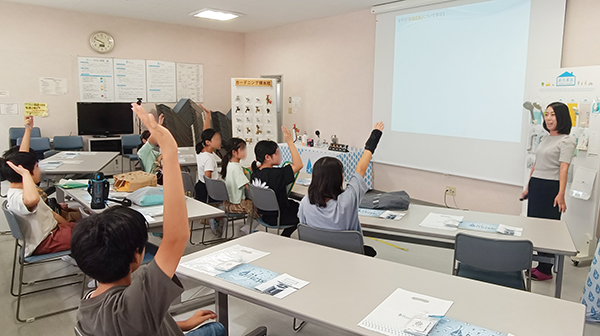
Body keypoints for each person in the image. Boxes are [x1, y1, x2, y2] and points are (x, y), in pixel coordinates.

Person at [71, 103, 225, 336]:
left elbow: (145, 325)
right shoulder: (133, 305)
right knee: (216, 329)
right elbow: (175, 238)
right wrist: (170, 153)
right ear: (136, 255)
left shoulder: (88, 305)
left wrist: (182, 324)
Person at [299, 122, 384, 257]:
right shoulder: (348, 200)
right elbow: (361, 169)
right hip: (347, 253)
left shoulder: (305, 202)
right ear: (338, 178)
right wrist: (375, 136)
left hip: (318, 254)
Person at [0, 116, 73, 256]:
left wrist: (28, 130)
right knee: (97, 234)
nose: (39, 170)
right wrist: (26, 174)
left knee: (89, 225)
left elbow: (23, 157)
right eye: (37, 166)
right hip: (45, 241)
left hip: (50, 233)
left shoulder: (18, 188)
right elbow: (32, 201)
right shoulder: (20, 196)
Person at [522, 102, 576, 281]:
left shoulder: (567, 140)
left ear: (561, 117)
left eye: (553, 114)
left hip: (551, 187)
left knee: (548, 229)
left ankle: (546, 269)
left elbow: (563, 168)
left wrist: (561, 193)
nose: (549, 118)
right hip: (537, 185)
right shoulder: (545, 138)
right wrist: (528, 186)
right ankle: (538, 264)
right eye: (547, 114)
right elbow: (536, 164)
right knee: (535, 227)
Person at [251, 126, 303, 237]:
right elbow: (299, 165)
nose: (280, 155)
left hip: (263, 214)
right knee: (304, 212)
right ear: (267, 157)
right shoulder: (276, 174)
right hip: (277, 216)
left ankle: (285, 236)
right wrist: (290, 142)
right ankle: (285, 236)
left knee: (295, 205)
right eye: (277, 153)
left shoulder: (255, 172)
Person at [220, 137, 257, 234]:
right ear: (234, 152)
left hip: (228, 202)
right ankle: (248, 228)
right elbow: (248, 187)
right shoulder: (237, 169)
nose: (245, 151)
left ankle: (248, 227)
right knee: (259, 207)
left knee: (253, 205)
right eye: (243, 149)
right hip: (236, 204)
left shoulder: (230, 164)